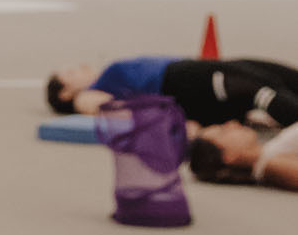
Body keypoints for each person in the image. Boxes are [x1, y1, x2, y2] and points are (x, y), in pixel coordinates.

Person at [47, 57, 298, 128]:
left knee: (280, 78)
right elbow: (112, 111)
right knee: (263, 90)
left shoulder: (105, 80)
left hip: (193, 75)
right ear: (65, 94)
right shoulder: (87, 95)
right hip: (184, 81)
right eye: (70, 73)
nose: (80, 66)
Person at [189, 120, 298, 188]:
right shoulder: (268, 165)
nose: (232, 124)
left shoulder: (268, 154)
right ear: (228, 156)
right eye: (223, 131)